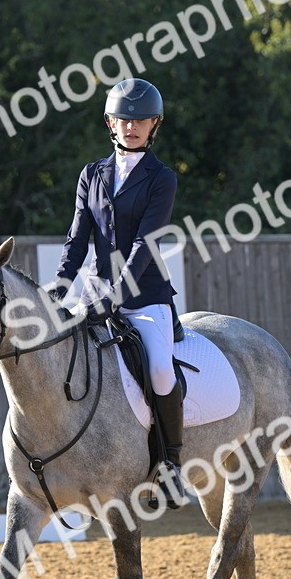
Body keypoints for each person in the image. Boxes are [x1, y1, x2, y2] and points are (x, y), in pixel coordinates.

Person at [53, 78, 186, 509]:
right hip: (93, 293)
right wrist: (59, 288)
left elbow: (145, 244)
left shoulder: (161, 179)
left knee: (161, 370)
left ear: (154, 125)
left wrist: (118, 295)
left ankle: (171, 464)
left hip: (145, 295)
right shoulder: (91, 175)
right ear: (110, 123)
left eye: (140, 121)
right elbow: (77, 240)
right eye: (124, 120)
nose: (132, 127)